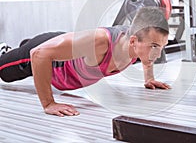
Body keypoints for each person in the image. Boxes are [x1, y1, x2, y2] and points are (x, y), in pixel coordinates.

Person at [0, 7, 171, 117]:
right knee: (4, 73)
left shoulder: (139, 46)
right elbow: (38, 54)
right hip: (46, 60)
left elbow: (149, 55)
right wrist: (49, 104)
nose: (158, 53)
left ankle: (15, 48)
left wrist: (148, 78)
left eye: (162, 46)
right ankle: (6, 52)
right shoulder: (100, 42)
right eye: (155, 46)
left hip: (65, 49)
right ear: (133, 41)